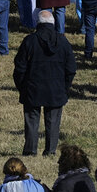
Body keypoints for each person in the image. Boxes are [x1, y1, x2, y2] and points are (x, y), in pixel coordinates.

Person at [14, 10, 76, 156]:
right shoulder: (63, 42)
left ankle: (30, 151)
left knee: (31, 121)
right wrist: (65, 88)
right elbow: (71, 69)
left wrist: (22, 87)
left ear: (38, 23)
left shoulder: (29, 41)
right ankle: (51, 150)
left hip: (32, 88)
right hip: (56, 89)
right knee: (53, 121)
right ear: (53, 23)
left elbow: (20, 67)